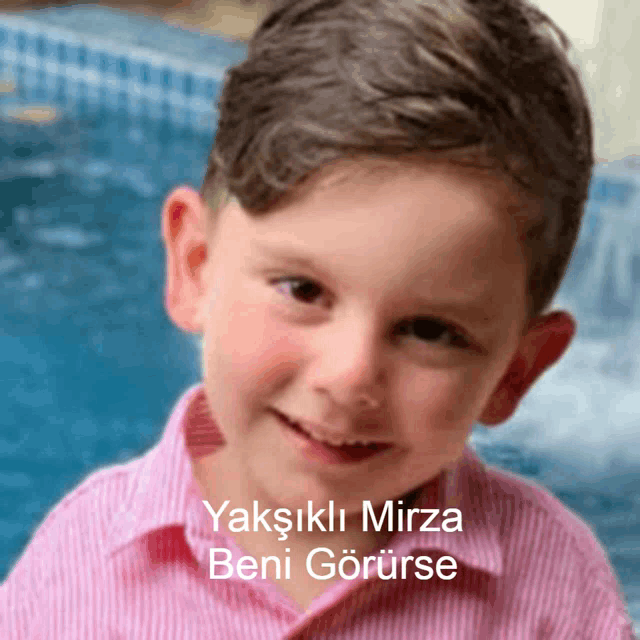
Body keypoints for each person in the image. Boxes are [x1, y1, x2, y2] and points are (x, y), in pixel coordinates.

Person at [1, 0, 636, 637]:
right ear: (196, 266)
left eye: (429, 330)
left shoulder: (553, 587)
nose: (349, 375)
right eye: (303, 290)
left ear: (515, 374)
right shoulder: (85, 566)